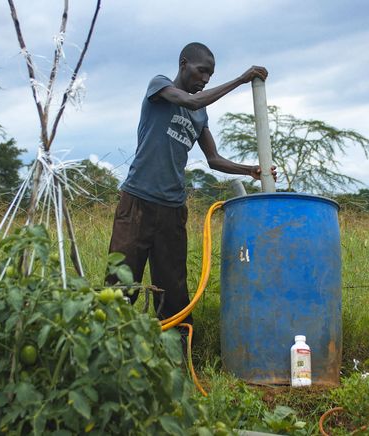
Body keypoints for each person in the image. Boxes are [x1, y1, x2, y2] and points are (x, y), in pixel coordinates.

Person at [107, 42, 275, 326]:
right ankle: (109, 346)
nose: (205, 79)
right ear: (183, 64)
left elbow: (214, 159)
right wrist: (240, 79)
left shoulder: (200, 116)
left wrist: (250, 170)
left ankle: (179, 354)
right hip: (137, 201)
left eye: (210, 74)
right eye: (201, 71)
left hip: (172, 210)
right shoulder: (159, 87)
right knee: (120, 283)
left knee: (172, 290)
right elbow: (191, 101)